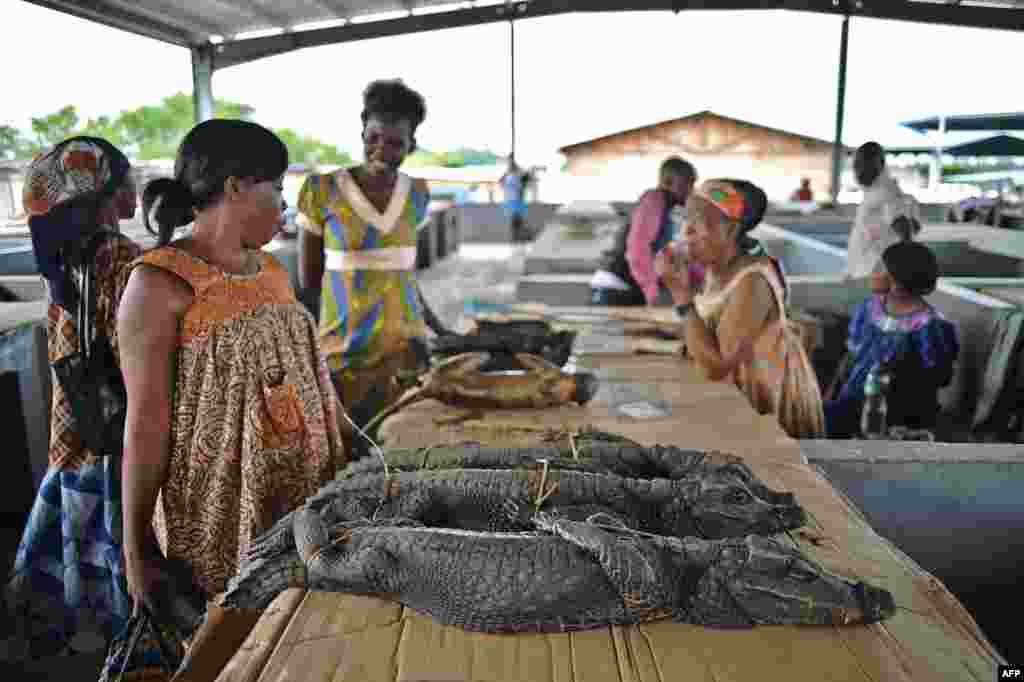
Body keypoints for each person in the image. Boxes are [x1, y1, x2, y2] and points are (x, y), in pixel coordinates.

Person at [116, 119, 346, 636]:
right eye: (278, 187)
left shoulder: (271, 271)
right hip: (219, 513)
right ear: (236, 184)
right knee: (230, 640)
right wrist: (135, 550)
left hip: (302, 500)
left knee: (303, 636)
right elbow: (144, 424)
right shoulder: (160, 283)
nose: (285, 204)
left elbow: (306, 377)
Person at [4, 137, 141, 660]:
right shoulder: (124, 259)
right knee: (121, 533)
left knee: (76, 521)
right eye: (127, 180)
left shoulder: (60, 256)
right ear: (106, 191)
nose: (136, 192)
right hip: (119, 423)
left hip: (75, 418)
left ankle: (80, 625)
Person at [297, 79, 434, 433]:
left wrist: (435, 328)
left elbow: (403, 275)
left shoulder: (417, 193)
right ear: (361, 133)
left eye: (395, 143)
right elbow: (308, 280)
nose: (381, 150)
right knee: (343, 451)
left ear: (411, 145)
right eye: (373, 138)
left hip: (405, 352)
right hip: (344, 353)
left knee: (397, 452)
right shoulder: (322, 190)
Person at [677, 178, 824, 439]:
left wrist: (680, 297)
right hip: (736, 393)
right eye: (686, 220)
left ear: (731, 231)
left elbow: (718, 366)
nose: (686, 231)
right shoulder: (715, 270)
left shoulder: (753, 281)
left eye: (697, 223)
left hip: (762, 399)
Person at [825, 239, 958, 439]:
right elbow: (850, 358)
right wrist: (832, 393)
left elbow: (937, 379)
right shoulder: (869, 310)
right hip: (852, 404)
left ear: (897, 278)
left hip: (898, 417)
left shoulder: (930, 327)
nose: (872, 272)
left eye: (879, 267)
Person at [590, 157, 696, 306]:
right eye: (687, 183)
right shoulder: (655, 200)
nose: (691, 190)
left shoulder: (667, 209)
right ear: (667, 181)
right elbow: (637, 249)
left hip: (625, 288)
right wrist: (652, 291)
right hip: (618, 288)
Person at [847, 141, 919, 278]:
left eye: (865, 164)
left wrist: (901, 271)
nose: (859, 170)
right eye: (857, 165)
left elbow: (904, 229)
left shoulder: (886, 192)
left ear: (880, 163)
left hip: (878, 275)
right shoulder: (873, 191)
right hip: (867, 272)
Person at [500, 156, 529, 243]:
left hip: (515, 199)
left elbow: (524, 178)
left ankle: (518, 237)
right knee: (516, 220)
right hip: (513, 199)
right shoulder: (510, 174)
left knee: (517, 220)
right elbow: (502, 182)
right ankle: (517, 237)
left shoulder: (515, 174)